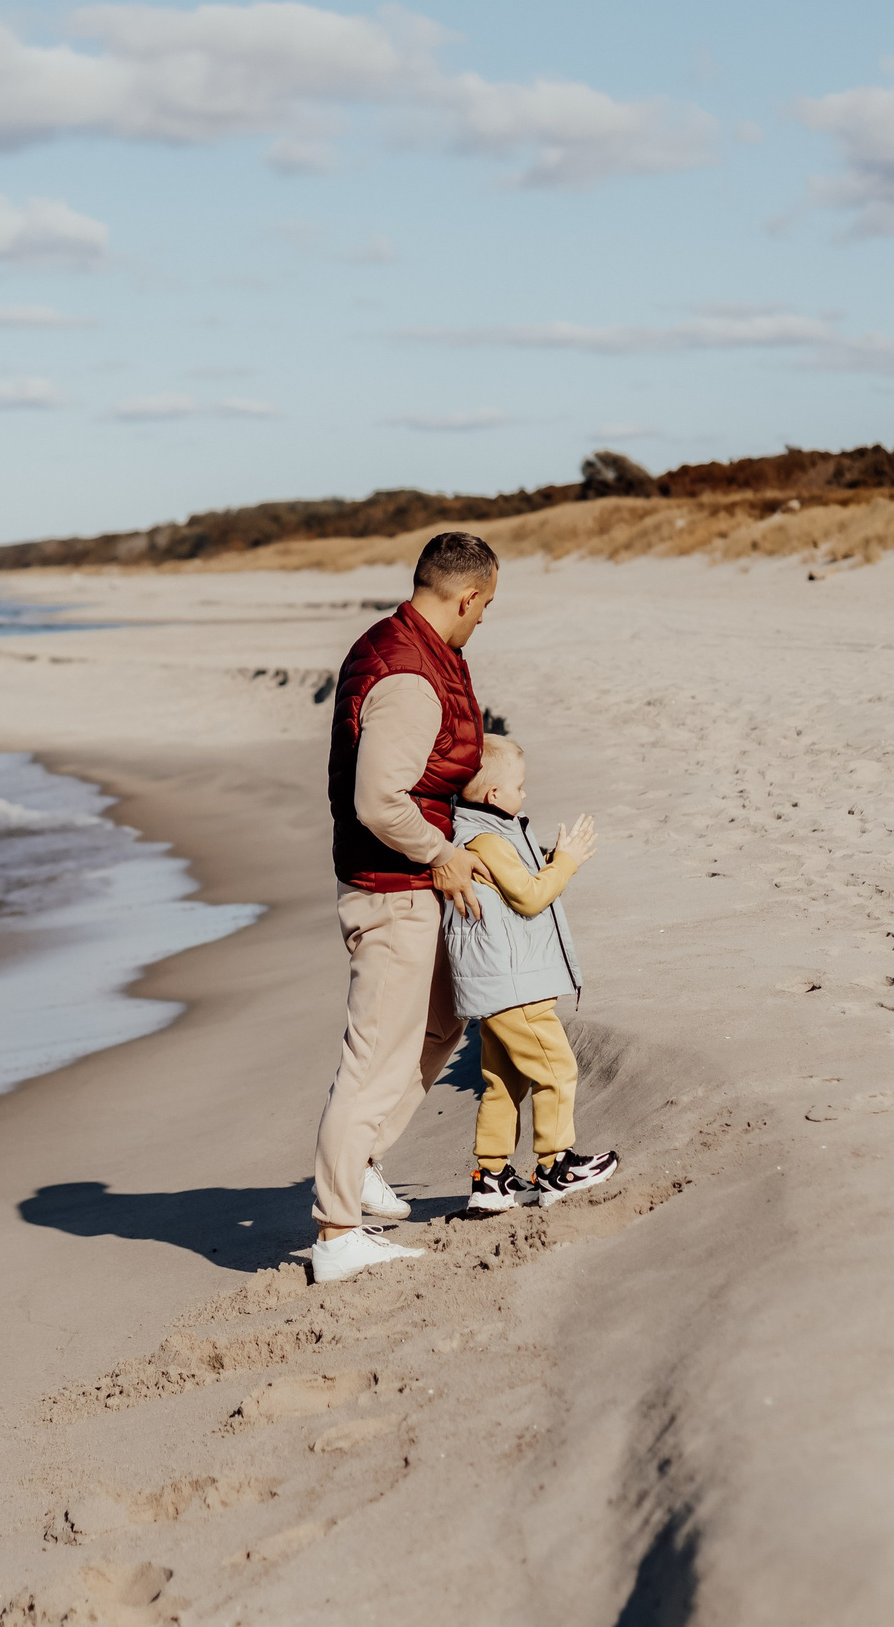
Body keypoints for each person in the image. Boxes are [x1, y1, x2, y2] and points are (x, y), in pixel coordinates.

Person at [309, 531, 499, 1284]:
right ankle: (335, 1230)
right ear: (467, 596)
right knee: (374, 1055)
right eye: (486, 607)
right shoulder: (410, 674)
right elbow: (378, 799)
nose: (484, 620)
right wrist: (442, 853)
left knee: (444, 1016)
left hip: (408, 885)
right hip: (391, 890)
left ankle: (360, 1164)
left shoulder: (409, 647)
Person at [444, 737, 620, 1214]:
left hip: (496, 987)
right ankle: (556, 1166)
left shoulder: (477, 833)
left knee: (505, 1082)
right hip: (514, 985)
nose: (525, 795)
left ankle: (493, 1177)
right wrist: (567, 861)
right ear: (495, 796)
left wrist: (545, 857)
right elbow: (528, 897)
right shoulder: (486, 840)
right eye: (519, 787)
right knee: (556, 1069)